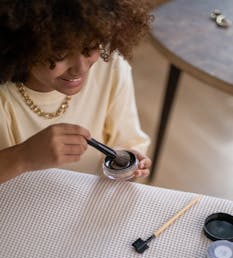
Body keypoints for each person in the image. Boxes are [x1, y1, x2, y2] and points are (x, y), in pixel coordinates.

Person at [0, 0, 152, 184]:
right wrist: (23, 157)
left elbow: (129, 140)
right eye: (60, 54)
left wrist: (126, 160)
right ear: (22, 45)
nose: (80, 69)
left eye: (89, 47)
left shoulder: (110, 68)